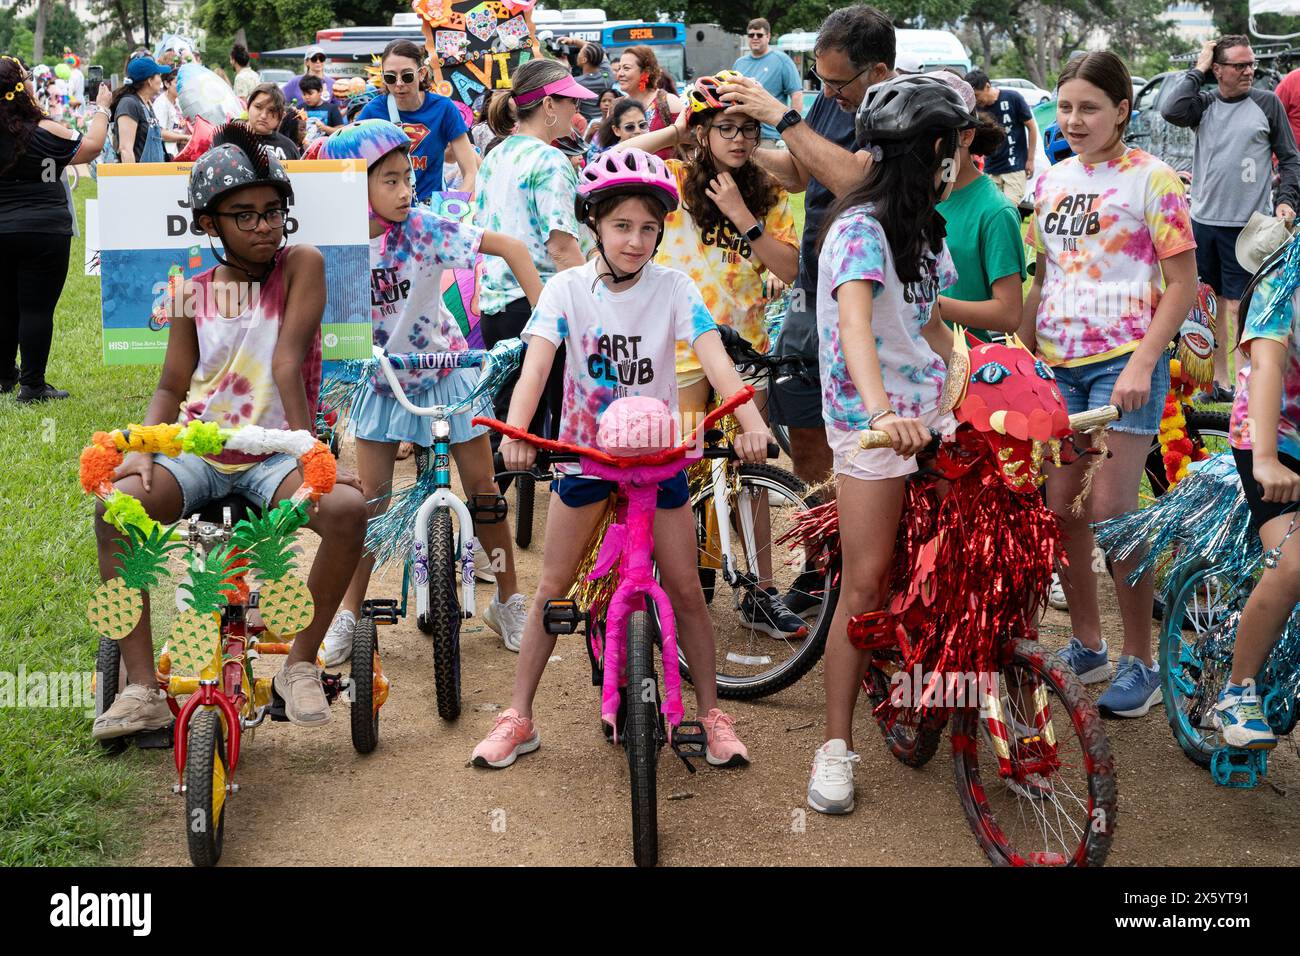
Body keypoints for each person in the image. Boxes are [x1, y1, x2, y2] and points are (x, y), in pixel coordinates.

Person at [470, 147, 767, 769]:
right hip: (585, 458)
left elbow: (715, 358)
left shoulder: (673, 287)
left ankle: (711, 712)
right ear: (595, 225)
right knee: (552, 588)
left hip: (658, 461)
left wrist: (752, 423)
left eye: (649, 228)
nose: (636, 241)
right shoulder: (565, 290)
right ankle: (519, 714)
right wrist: (517, 432)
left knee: (687, 589)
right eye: (622, 226)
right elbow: (536, 368)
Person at [90, 125, 368, 740]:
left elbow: (287, 363)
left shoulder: (301, 265)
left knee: (347, 511)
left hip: (276, 452)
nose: (264, 226)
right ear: (208, 224)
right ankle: (141, 689)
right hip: (200, 450)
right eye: (244, 215)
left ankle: (299, 666)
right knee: (114, 509)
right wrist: (143, 449)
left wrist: (311, 454)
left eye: (272, 211)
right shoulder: (188, 292)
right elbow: (171, 386)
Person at [801, 75, 971, 814]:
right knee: (865, 586)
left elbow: (929, 325)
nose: (960, 160)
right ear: (933, 150)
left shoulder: (923, 227)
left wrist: (988, 376)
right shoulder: (858, 230)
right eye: (954, 146)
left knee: (957, 562)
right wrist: (881, 413)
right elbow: (854, 328)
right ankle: (835, 746)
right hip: (872, 427)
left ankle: (936, 688)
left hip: (931, 414)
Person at [315, 120, 542, 660]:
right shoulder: (329, 246)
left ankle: (507, 599)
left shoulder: (421, 229)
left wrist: (544, 325)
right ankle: (348, 611)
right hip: (380, 381)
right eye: (389, 180)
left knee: (484, 492)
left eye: (407, 178)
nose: (404, 191)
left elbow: (511, 247)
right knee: (370, 504)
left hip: (447, 370)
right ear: (352, 187)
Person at [1022, 52, 1198, 719]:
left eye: (1089, 107)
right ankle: (1089, 645)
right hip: (1058, 367)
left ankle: (1141, 661)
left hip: (1123, 364)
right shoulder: (1051, 179)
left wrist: (1143, 363)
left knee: (1114, 512)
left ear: (1122, 110)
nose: (1074, 120)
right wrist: (1022, 352)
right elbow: (1046, 276)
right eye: (1066, 107)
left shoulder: (1154, 179)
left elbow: (1182, 285)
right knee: (1061, 507)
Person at [718, 4, 896, 615]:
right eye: (820, 80)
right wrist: (738, 144)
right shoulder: (830, 101)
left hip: (865, 296)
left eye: (837, 82)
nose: (829, 93)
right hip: (812, 290)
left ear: (878, 71)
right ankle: (825, 565)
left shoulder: (897, 110)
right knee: (807, 429)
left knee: (865, 440)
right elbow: (800, 173)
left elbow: (855, 181)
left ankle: (867, 571)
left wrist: (783, 115)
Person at [616, 72, 805, 636]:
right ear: (703, 132)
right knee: (680, 470)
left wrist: (744, 217)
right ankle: (675, 584)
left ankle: (761, 592)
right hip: (678, 354)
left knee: (752, 468)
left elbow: (790, 269)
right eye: (726, 128)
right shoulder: (672, 180)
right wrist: (676, 130)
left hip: (745, 350)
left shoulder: (768, 191)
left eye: (749, 129)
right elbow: (613, 159)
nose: (740, 139)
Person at [1162, 35, 1300, 403]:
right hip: (1204, 220)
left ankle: (1244, 388)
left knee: (1241, 305)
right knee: (1211, 303)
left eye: (1251, 64)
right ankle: (1218, 384)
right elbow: (1171, 109)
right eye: (1239, 65)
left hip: (1249, 227)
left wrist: (1286, 201)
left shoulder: (1267, 104)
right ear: (1219, 70)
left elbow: (1290, 158)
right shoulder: (1203, 104)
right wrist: (1199, 67)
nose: (1248, 71)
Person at [473, 58, 592, 460]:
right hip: (540, 306)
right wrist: (590, 308)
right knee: (546, 431)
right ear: (548, 105)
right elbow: (561, 247)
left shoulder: (496, 154)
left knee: (511, 425)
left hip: (498, 307)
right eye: (571, 101)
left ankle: (485, 496)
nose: (577, 111)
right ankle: (480, 500)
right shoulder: (550, 161)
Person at [1216, 238, 1300, 749]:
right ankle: (1237, 690)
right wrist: (1266, 458)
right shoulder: (1283, 276)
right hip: (1272, 435)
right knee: (1292, 564)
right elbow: (1268, 364)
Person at [0, 55, 110, 403]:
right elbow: (91, 148)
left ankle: (4, 376)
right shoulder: (44, 130)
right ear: (20, 89)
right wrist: (102, 109)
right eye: (27, 77)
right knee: (36, 309)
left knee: (5, 305)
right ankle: (32, 386)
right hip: (44, 230)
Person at [931, 73, 1026, 339]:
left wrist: (929, 304)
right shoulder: (914, 199)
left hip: (962, 360)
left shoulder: (996, 212)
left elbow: (1008, 314)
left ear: (966, 136)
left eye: (932, 138)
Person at [357, 40, 478, 202]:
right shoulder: (373, 111)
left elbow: (470, 171)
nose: (399, 83)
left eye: (407, 76)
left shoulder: (443, 108)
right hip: (387, 209)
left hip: (431, 209)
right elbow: (352, 166)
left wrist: (454, 207)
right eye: (390, 77)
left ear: (421, 74)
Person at [966, 70, 1037, 207]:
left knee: (1009, 208)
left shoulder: (1013, 98)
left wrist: (1030, 159)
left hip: (1014, 167)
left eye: (976, 95)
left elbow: (1032, 127)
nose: (975, 100)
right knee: (991, 209)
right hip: (990, 169)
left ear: (987, 86)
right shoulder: (976, 109)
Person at [733, 18, 804, 146]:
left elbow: (797, 95)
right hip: (742, 133)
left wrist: (793, 130)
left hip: (771, 136)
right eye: (751, 35)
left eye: (759, 35)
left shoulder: (782, 60)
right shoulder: (739, 63)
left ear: (768, 37)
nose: (755, 38)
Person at [613, 45, 684, 160]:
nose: (620, 74)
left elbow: (688, 143)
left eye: (626, 68)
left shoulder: (669, 102)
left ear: (646, 72)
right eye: (619, 68)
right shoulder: (615, 106)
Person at [110, 55, 171, 163]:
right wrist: (134, 174)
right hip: (140, 173)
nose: (161, 79)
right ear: (149, 81)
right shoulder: (129, 104)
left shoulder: (147, 104)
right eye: (158, 75)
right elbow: (125, 150)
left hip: (153, 171)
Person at [245, 82, 300, 160]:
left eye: (272, 110)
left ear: (282, 116)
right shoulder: (230, 139)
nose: (263, 116)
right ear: (248, 106)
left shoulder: (289, 148)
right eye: (258, 107)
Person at [566, 39, 616, 122]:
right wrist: (573, 41)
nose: (578, 55)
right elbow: (599, 51)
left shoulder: (576, 83)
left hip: (585, 126)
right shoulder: (608, 76)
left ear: (584, 60)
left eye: (580, 52)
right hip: (605, 123)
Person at [151, 71, 191, 159]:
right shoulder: (161, 103)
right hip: (167, 155)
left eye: (182, 83)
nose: (180, 86)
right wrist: (185, 137)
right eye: (177, 83)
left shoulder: (177, 101)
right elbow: (160, 132)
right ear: (167, 84)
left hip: (179, 152)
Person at [298, 74, 344, 144]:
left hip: (325, 148)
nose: (307, 97)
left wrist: (324, 128)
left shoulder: (332, 108)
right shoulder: (299, 109)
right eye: (304, 94)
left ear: (320, 91)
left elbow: (340, 132)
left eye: (310, 94)